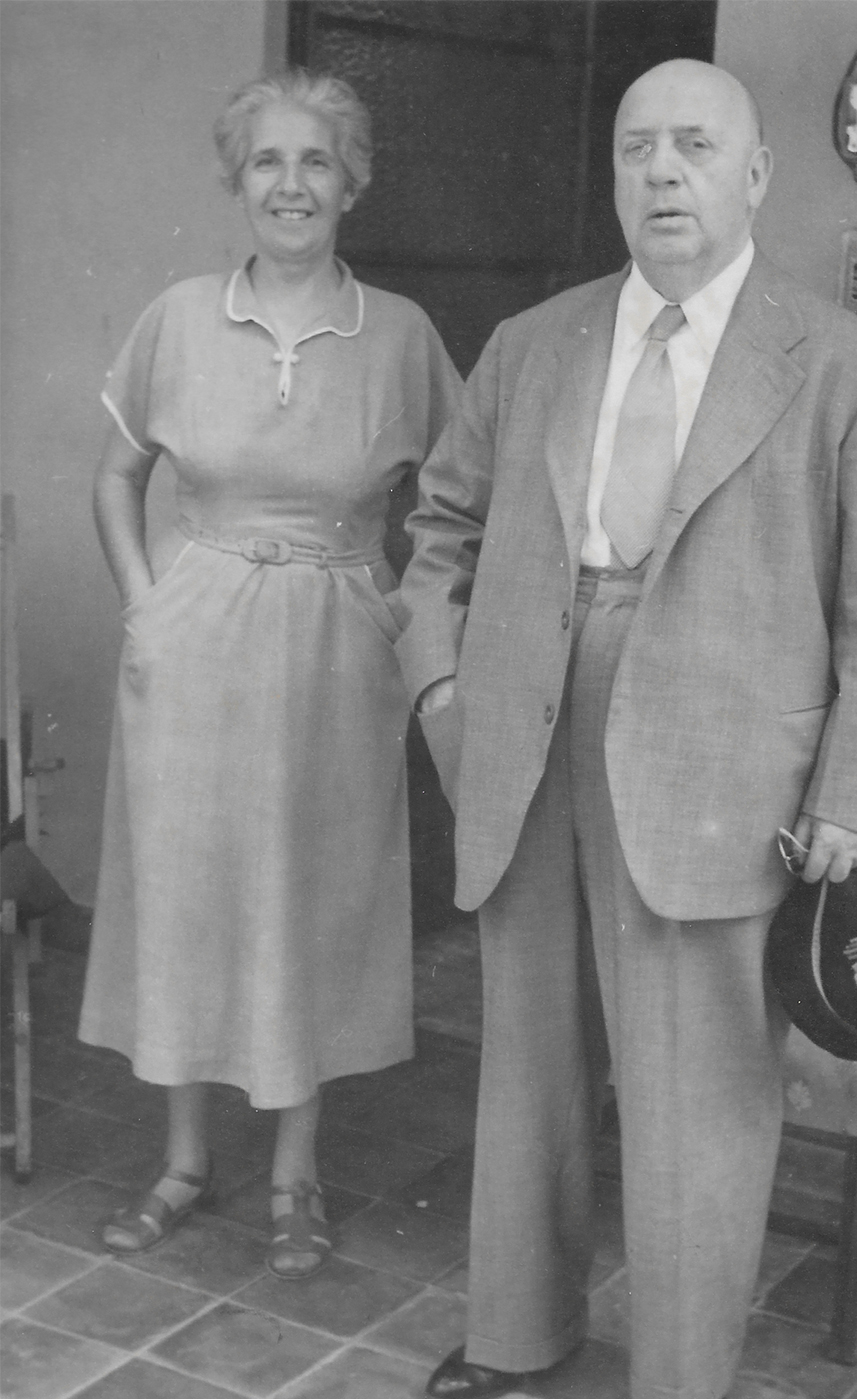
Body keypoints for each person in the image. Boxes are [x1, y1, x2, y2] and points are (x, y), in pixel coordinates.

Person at [396, 59, 857, 1399]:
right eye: (637, 148)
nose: (662, 171)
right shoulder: (530, 343)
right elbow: (436, 531)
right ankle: (515, 1328)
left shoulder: (840, 365)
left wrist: (849, 805)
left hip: (716, 773)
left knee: (697, 1084)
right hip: (525, 735)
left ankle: (683, 1383)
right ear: (615, 176)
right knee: (528, 1059)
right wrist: (440, 689)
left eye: (695, 145)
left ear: (753, 177)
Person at [79, 72, 461, 1279]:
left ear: (352, 182)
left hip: (339, 650)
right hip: (194, 644)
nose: (290, 185)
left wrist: (405, 618)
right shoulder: (180, 317)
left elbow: (457, 507)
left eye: (314, 163)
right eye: (266, 164)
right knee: (188, 890)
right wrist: (148, 606)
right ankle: (185, 1160)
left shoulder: (398, 335)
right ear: (236, 182)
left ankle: (296, 1173)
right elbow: (114, 477)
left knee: (314, 895)